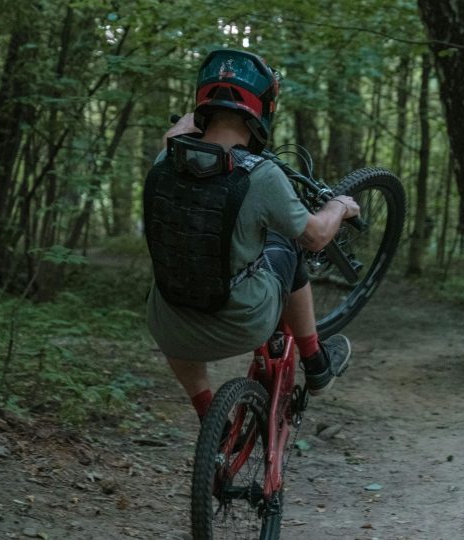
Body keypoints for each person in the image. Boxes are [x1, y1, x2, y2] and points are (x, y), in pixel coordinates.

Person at [143, 49, 360, 422]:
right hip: (241, 325)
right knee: (292, 243)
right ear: (264, 107)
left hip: (169, 327)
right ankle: (316, 362)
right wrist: (339, 206)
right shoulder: (261, 176)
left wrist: (189, 125)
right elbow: (317, 238)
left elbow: (171, 138)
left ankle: (213, 421)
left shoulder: (164, 161)